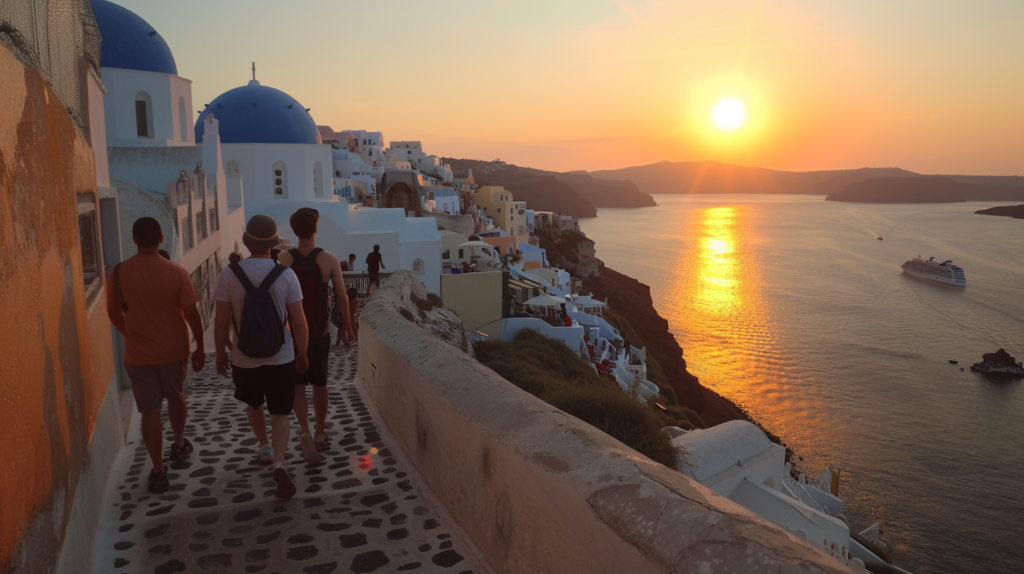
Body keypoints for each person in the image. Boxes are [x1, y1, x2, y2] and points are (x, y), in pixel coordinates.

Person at [106, 217, 205, 493]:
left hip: (138, 354)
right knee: (176, 395)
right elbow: (191, 313)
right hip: (173, 349)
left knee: (149, 410)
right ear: (162, 238)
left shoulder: (117, 274)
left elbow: (113, 311)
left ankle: (159, 469)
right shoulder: (176, 272)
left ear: (134, 239)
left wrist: (129, 333)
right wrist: (198, 346)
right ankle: (179, 443)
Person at [214, 215, 309, 499]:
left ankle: (264, 446)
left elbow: (221, 321)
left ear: (247, 242)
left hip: (244, 357)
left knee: (253, 403)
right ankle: (280, 461)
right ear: (273, 244)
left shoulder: (229, 275)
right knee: (281, 412)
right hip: (281, 356)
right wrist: (302, 352)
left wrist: (221, 352)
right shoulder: (286, 274)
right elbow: (299, 321)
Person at [277, 208, 355, 461]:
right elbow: (342, 296)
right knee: (320, 383)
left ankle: (305, 431)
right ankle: (321, 432)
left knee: (297, 384)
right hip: (319, 332)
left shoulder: (283, 260)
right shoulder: (329, 260)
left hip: (292, 334)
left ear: (294, 229)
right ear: (315, 228)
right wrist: (347, 325)